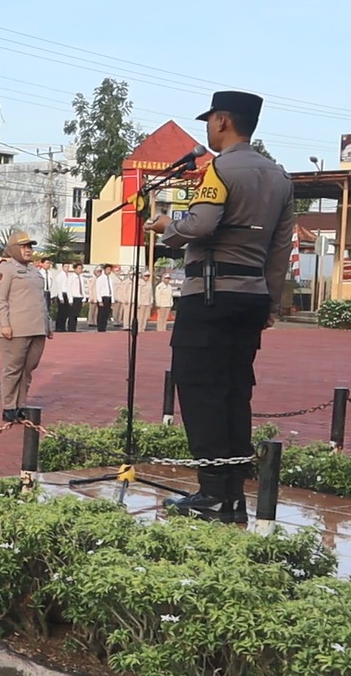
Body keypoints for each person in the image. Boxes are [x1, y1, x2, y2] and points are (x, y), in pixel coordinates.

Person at [145, 90, 294, 523]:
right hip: (251, 297)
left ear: (224, 120)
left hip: (210, 296)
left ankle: (212, 496)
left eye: (210, 119)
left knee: (199, 390)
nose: (207, 128)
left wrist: (167, 227)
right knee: (233, 393)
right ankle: (232, 496)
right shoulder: (280, 177)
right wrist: (270, 302)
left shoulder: (220, 169)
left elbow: (202, 223)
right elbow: (280, 250)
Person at [0, 232, 52, 422]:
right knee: (13, 369)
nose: (28, 250)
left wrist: (47, 323)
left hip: (36, 327)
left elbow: (41, 300)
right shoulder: (6, 270)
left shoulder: (35, 271)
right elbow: (0, 300)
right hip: (14, 328)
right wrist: (5, 324)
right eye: (23, 247)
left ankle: (21, 404)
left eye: (30, 247)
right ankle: (9, 406)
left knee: (28, 368)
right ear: (12, 250)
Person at [91, 264, 114, 331]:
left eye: (110, 270)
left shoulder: (109, 278)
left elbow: (111, 290)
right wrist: (100, 300)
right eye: (108, 269)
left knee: (106, 313)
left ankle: (104, 327)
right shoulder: (100, 278)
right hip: (103, 297)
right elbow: (98, 290)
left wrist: (112, 300)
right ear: (104, 270)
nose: (109, 271)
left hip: (109, 297)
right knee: (101, 313)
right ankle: (100, 327)